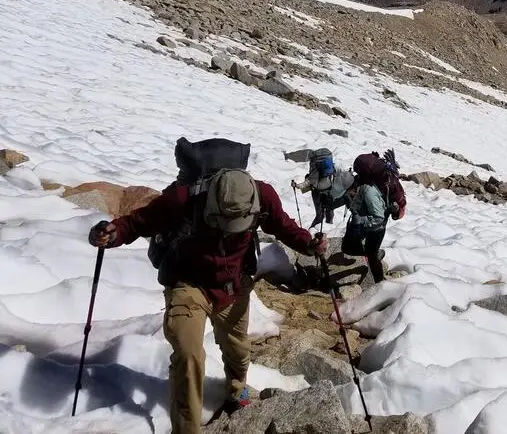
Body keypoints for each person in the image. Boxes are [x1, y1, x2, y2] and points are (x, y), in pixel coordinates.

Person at [88, 138, 325, 434]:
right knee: (188, 354)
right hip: (188, 284)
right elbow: (139, 222)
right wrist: (113, 233)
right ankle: (186, 429)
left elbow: (282, 225)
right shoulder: (183, 199)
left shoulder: (261, 195)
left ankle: (237, 389)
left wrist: (309, 244)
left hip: (234, 284)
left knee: (237, 350)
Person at [342, 152, 394, 284]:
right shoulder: (360, 185)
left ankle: (380, 283)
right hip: (368, 227)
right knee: (348, 248)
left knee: (371, 256)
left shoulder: (368, 191)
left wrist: (360, 221)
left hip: (376, 229)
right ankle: (374, 255)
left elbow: (378, 217)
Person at [284, 147, 353, 229]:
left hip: (318, 193)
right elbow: (341, 172)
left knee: (320, 215)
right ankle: (324, 228)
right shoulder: (333, 168)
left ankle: (318, 229)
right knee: (326, 212)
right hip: (326, 193)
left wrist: (297, 186)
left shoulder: (317, 172)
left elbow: (308, 183)